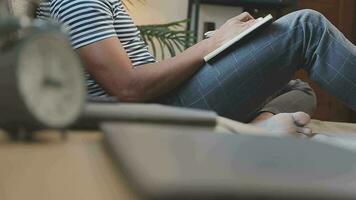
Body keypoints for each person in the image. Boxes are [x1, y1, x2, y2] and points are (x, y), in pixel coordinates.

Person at [37, 0, 356, 137]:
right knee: (307, 27)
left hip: (164, 99)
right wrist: (214, 42)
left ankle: (257, 127)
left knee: (297, 90)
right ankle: (250, 129)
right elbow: (127, 87)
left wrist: (224, 42)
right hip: (158, 111)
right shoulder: (78, 0)